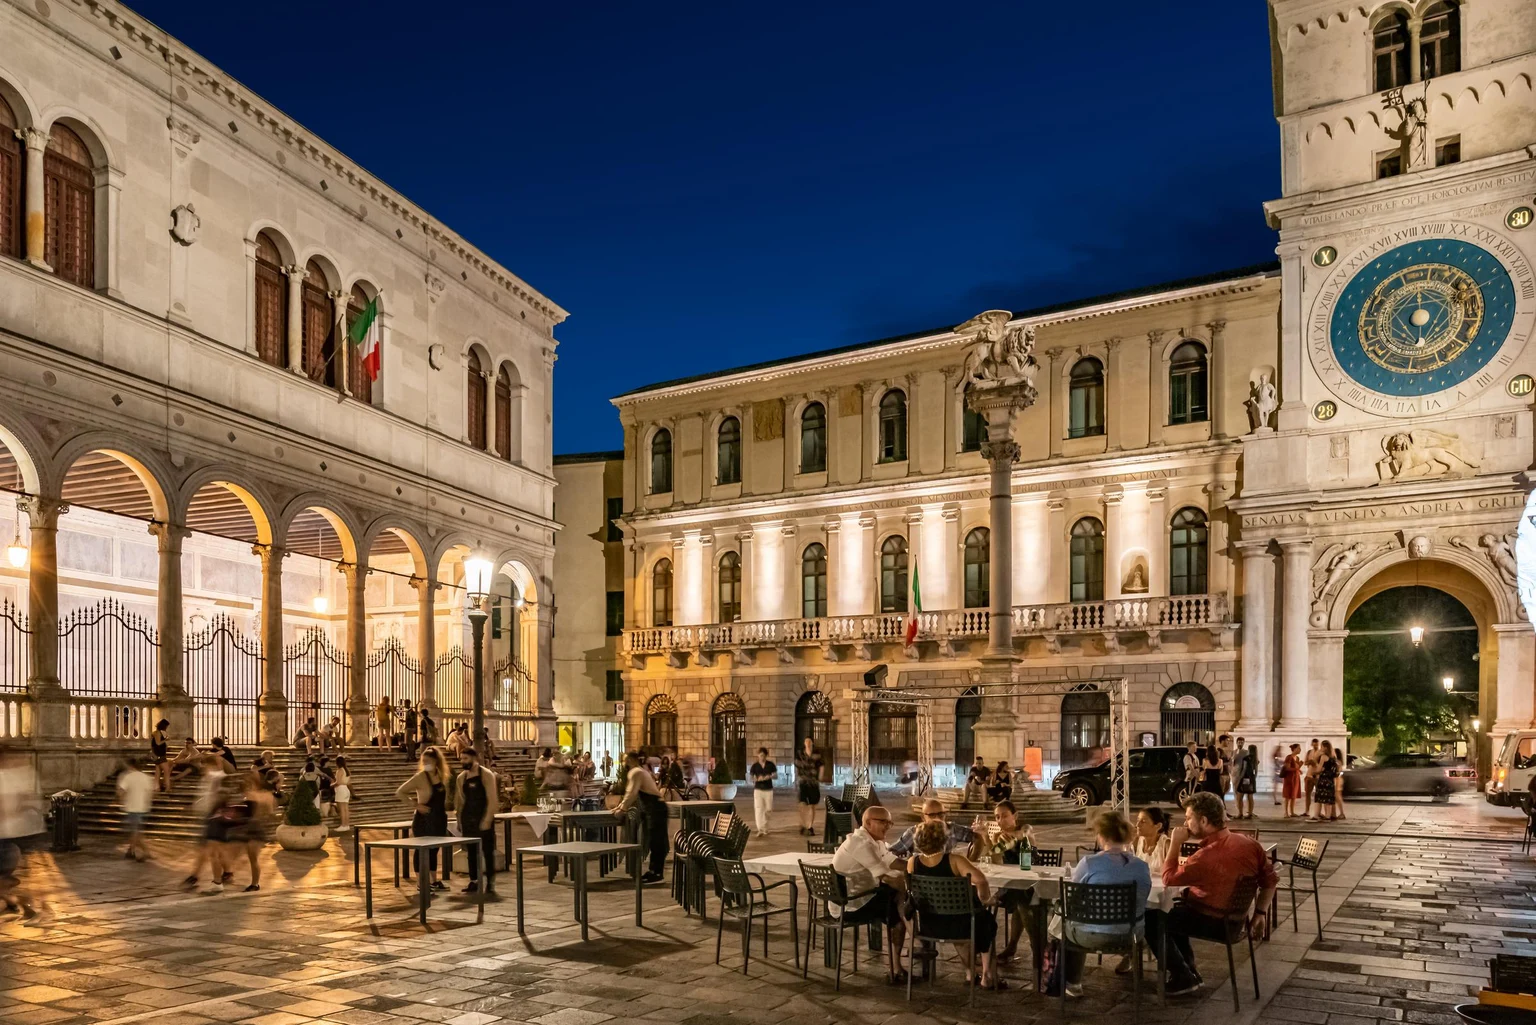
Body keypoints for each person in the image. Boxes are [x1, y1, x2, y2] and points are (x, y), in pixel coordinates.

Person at [1149, 792, 1278, 996]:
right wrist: (1260, 913)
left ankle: (1183, 977)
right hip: (1237, 921)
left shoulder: (1205, 856)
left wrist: (1174, 843)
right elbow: (1270, 881)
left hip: (1214, 922)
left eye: (1189, 817)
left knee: (1153, 919)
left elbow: (1169, 878)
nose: (1185, 822)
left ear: (1203, 820)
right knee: (1174, 912)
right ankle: (1187, 971)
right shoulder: (1249, 843)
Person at [1061, 811, 1151, 998]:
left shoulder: (1088, 863)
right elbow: (1143, 899)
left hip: (1089, 936)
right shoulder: (1141, 866)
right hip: (1130, 936)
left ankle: (1073, 981)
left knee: (1067, 922)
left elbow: (1073, 899)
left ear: (1100, 836)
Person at [908, 818, 1002, 989]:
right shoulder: (955, 860)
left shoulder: (912, 863)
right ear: (943, 839)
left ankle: (970, 972)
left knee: (973, 920)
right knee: (986, 920)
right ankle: (987, 974)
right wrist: (985, 899)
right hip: (961, 924)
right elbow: (980, 880)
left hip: (930, 924)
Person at [831, 806, 909, 984]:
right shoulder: (860, 843)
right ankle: (897, 965)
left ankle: (900, 959)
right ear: (867, 822)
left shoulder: (874, 840)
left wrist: (917, 867)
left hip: (860, 897)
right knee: (898, 897)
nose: (888, 826)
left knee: (898, 896)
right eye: (883, 822)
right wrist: (914, 888)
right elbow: (885, 876)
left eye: (890, 822)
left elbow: (891, 860)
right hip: (850, 905)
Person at [967, 799, 1033, 963]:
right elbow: (997, 859)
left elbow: (1025, 832)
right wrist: (985, 836)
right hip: (1011, 884)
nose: (1000, 820)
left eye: (1004, 816)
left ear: (1015, 815)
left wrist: (1013, 836)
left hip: (1030, 882)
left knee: (1022, 899)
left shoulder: (1025, 830)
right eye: (997, 817)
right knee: (979, 898)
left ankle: (1028, 947)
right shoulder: (997, 836)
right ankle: (984, 946)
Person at [396, 748, 450, 888]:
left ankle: (433, 880)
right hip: (424, 820)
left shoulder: (441, 775)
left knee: (434, 849)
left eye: (428, 761)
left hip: (438, 818)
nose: (425, 764)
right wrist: (415, 805)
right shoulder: (420, 777)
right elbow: (400, 792)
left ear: (436, 761)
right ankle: (421, 882)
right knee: (421, 851)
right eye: (423, 761)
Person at [0, 750, 43, 921]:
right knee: (5, 879)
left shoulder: (8, 777)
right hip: (14, 834)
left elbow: (12, 806)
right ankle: (18, 902)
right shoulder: (16, 776)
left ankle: (24, 904)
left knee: (4, 878)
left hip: (10, 835)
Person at [613, 750, 667, 883]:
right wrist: (620, 807)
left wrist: (622, 808)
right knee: (655, 840)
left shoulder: (636, 772)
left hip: (655, 808)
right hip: (654, 807)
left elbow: (631, 793)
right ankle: (655, 871)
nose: (623, 763)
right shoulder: (640, 771)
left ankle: (656, 872)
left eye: (625, 760)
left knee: (656, 841)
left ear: (631, 760)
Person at [452, 747, 500, 894]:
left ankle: (490, 882)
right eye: (461, 759)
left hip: (482, 816)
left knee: (487, 850)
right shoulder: (461, 778)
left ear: (475, 758)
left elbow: (492, 799)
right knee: (471, 851)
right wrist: (459, 820)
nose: (462, 761)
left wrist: (487, 819)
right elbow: (460, 801)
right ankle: (474, 881)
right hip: (468, 817)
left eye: (465, 758)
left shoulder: (486, 775)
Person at [226, 771, 275, 892]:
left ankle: (255, 884)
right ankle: (227, 874)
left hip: (256, 828)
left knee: (253, 857)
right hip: (244, 827)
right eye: (245, 782)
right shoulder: (246, 795)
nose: (247, 784)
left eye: (249, 781)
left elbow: (270, 813)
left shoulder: (265, 795)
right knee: (231, 853)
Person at [891, 797, 975, 858]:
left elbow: (977, 836)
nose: (937, 818)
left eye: (940, 814)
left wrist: (982, 835)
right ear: (923, 818)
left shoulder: (952, 829)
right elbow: (893, 851)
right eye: (932, 815)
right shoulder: (914, 832)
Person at [116, 757, 154, 862]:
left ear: (131, 766)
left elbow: (121, 791)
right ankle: (131, 850)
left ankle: (146, 852)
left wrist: (120, 800)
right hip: (143, 808)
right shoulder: (146, 777)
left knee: (135, 831)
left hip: (132, 807)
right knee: (136, 830)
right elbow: (151, 792)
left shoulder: (128, 777)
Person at [794, 737, 823, 837]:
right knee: (802, 804)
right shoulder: (800, 754)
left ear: (812, 743)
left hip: (813, 782)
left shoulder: (817, 754)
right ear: (804, 743)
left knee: (812, 805)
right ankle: (803, 824)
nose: (808, 743)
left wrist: (820, 777)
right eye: (806, 741)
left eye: (809, 741)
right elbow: (796, 767)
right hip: (803, 781)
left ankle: (809, 826)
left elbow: (821, 765)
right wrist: (796, 779)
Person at [749, 747, 777, 838]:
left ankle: (764, 825)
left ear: (766, 756)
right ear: (758, 756)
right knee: (759, 809)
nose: (762, 757)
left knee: (768, 809)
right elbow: (750, 778)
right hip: (758, 790)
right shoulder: (755, 766)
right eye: (760, 755)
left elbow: (776, 775)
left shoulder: (770, 765)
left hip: (768, 789)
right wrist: (757, 779)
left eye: (763, 756)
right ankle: (760, 829)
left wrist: (770, 776)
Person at [1310, 741, 1340, 822]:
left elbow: (1319, 769)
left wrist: (1314, 772)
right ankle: (1328, 816)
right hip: (1330, 780)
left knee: (1319, 797)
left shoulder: (1323, 757)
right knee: (1328, 799)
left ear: (1325, 747)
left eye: (1322, 746)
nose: (1321, 748)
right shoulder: (1333, 757)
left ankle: (1317, 816)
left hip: (1323, 780)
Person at [1233, 743, 1257, 820]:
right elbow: (1256, 771)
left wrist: (1240, 778)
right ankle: (1250, 813)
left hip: (1245, 778)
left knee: (1240, 796)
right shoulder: (1256, 759)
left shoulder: (1246, 758)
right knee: (1250, 796)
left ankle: (1240, 813)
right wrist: (1253, 778)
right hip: (1252, 779)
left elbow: (1244, 770)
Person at [149, 718, 172, 793]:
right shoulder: (157, 733)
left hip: (159, 754)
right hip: (159, 754)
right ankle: (167, 787)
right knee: (166, 770)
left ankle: (156, 788)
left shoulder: (159, 732)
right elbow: (158, 743)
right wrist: (166, 740)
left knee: (158, 771)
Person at [1281, 743, 1303, 817]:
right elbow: (1287, 768)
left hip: (1296, 778)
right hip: (1289, 778)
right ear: (1295, 749)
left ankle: (1292, 812)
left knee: (1293, 795)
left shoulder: (1297, 758)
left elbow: (1296, 768)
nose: (1300, 750)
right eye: (1299, 748)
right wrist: (1297, 768)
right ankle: (1286, 812)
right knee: (1288, 796)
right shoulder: (1289, 757)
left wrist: (1299, 767)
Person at [1302, 738, 1322, 817]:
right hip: (1309, 775)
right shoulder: (1309, 752)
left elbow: (1322, 764)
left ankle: (1318, 812)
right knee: (1307, 794)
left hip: (1317, 776)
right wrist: (1309, 762)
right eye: (1314, 744)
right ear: (1312, 744)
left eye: (1316, 744)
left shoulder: (1321, 753)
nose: (1315, 746)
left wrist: (1315, 763)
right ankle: (1307, 811)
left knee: (1319, 794)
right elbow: (1305, 763)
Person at [332, 755, 352, 830]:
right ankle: (347, 825)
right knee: (346, 808)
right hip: (346, 789)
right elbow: (349, 782)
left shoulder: (340, 770)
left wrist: (331, 785)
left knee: (342, 809)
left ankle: (343, 825)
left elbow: (338, 782)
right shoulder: (347, 770)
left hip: (341, 789)